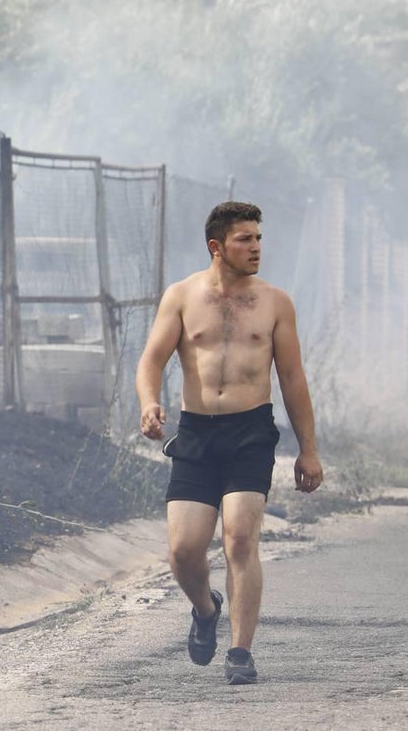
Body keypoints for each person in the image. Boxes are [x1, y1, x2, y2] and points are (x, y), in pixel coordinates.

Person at [135, 200, 323, 685]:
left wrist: (309, 448)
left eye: (259, 238)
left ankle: (241, 652)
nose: (256, 247)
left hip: (249, 434)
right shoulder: (181, 296)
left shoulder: (276, 303)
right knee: (182, 551)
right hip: (196, 434)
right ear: (217, 247)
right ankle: (205, 608)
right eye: (245, 239)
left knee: (239, 536)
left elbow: (294, 380)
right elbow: (151, 360)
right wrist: (148, 403)